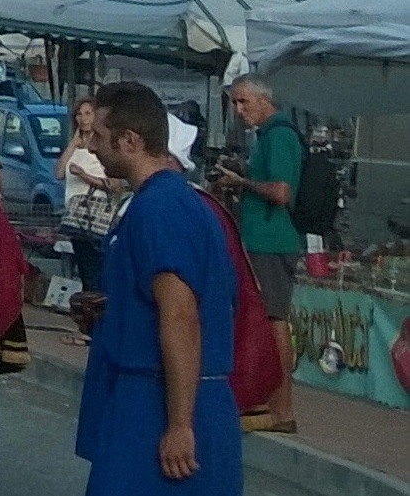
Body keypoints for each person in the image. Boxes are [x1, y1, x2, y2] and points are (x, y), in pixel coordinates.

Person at [77, 81, 241, 496]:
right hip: (149, 396)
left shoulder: (162, 207)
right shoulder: (158, 202)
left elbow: (181, 314)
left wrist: (180, 425)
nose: (90, 145)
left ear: (129, 141)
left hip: (159, 401)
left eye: (98, 135)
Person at [216, 75, 302, 433]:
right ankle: (267, 401)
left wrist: (242, 182)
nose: (239, 111)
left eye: (243, 102)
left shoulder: (280, 135)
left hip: (272, 242)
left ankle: (282, 410)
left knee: (274, 322)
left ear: (264, 100)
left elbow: (281, 192)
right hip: (261, 239)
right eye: (236, 103)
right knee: (264, 321)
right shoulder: (267, 137)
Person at [57, 99, 111, 295]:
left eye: (88, 113)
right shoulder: (75, 146)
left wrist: (84, 176)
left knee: (94, 271)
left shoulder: (101, 148)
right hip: (75, 216)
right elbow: (59, 173)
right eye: (79, 114)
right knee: (85, 268)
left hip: (95, 216)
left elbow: (113, 185)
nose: (84, 119)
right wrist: (73, 144)